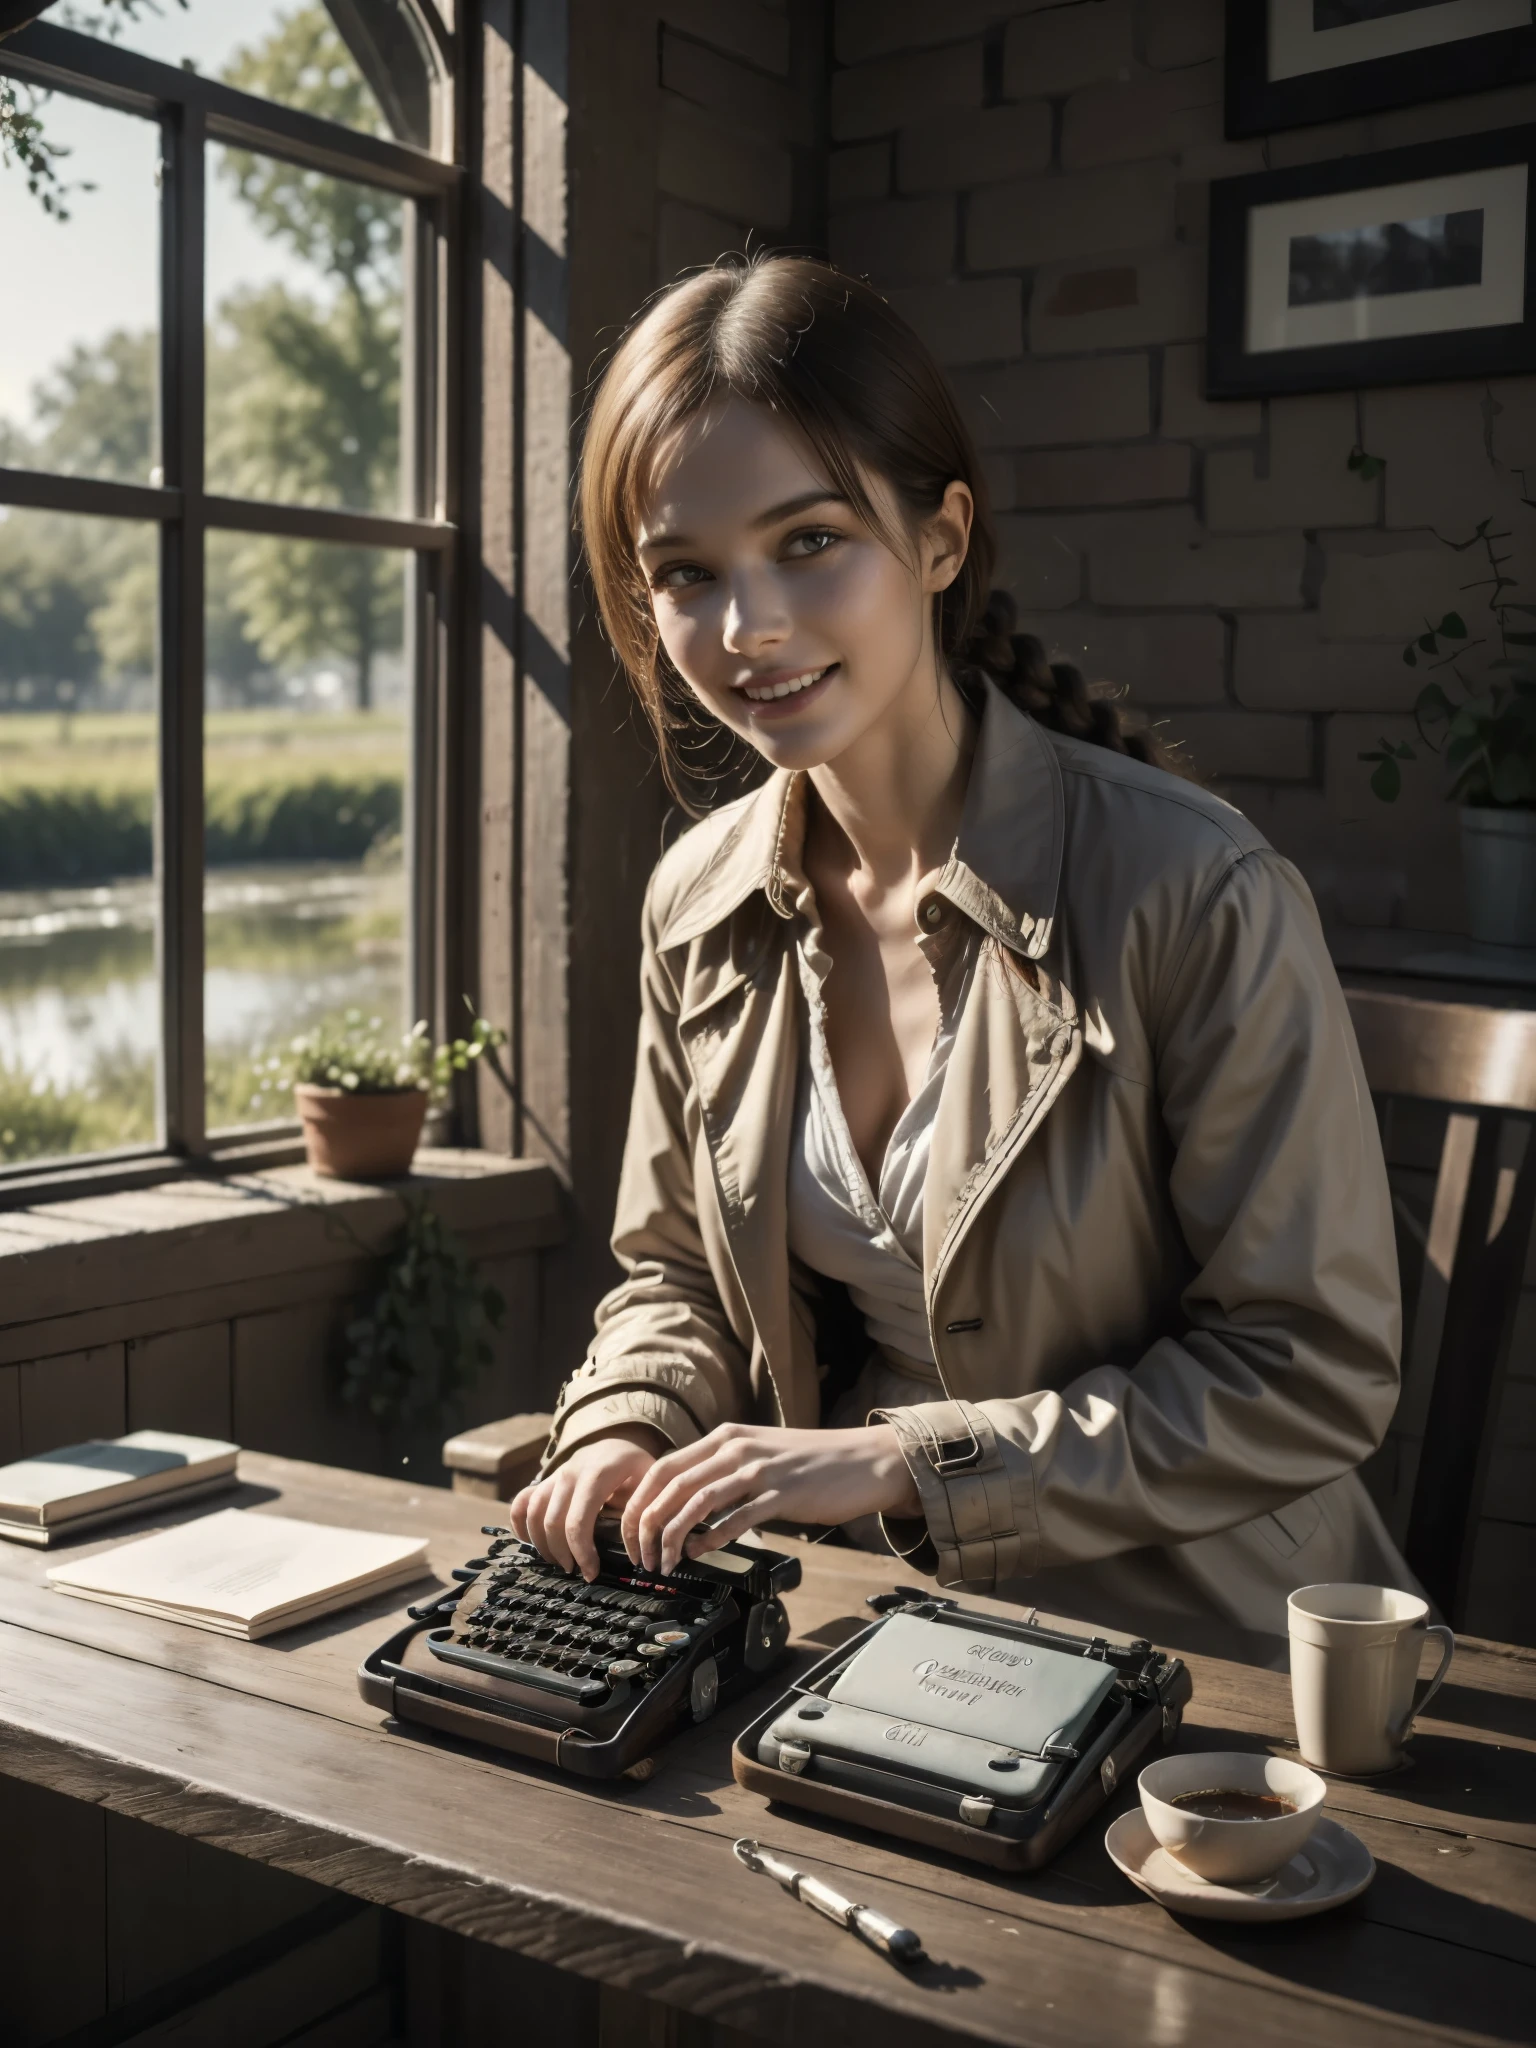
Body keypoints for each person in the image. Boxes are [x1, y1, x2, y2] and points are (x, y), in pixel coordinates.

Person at [509, 254, 1410, 1665]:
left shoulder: (1193, 886)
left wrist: (905, 1463)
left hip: (1201, 1654)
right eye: (688, 574)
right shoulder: (698, 899)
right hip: (864, 1625)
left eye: (810, 541)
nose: (747, 629)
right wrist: (627, 1423)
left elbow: (1308, 1370)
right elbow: (675, 1274)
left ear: (939, 539)